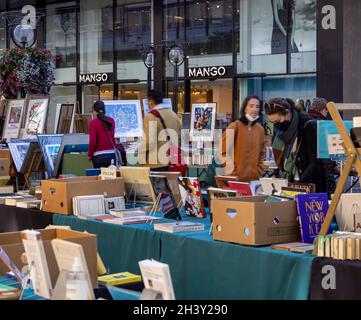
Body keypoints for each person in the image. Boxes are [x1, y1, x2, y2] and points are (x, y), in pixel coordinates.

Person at [265, 97, 329, 192]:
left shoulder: (308, 125)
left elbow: (315, 162)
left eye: (278, 122)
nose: (276, 125)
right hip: (289, 182)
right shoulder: (281, 132)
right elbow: (283, 159)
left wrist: (299, 186)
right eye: (273, 122)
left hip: (308, 185)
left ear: (287, 113)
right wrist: (276, 173)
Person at [218, 96, 265, 182]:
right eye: (251, 106)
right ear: (245, 109)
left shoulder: (260, 129)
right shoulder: (234, 126)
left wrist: (259, 171)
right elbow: (222, 152)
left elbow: (262, 153)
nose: (254, 109)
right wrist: (232, 172)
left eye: (257, 107)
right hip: (235, 179)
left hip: (254, 180)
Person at [138, 90, 181, 170]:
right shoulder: (174, 115)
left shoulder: (150, 116)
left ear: (151, 102)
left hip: (156, 163)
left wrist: (139, 152)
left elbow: (149, 142)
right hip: (173, 161)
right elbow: (179, 137)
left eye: (148, 101)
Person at [88, 100, 116, 168]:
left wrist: (90, 154)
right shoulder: (111, 121)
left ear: (95, 111)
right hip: (112, 154)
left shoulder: (93, 123)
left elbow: (93, 142)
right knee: (111, 177)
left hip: (99, 156)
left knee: (100, 177)